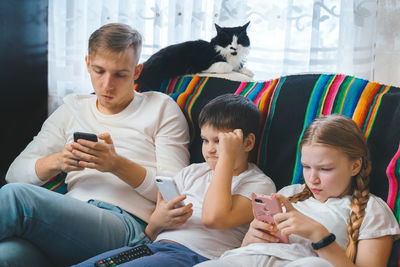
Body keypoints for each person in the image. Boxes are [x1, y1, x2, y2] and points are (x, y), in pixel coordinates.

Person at [1, 23, 190, 266]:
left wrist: (116, 165)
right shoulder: (72, 108)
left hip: (126, 227)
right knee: (6, 256)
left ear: (137, 71)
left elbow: (174, 194)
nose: (106, 85)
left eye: (120, 74)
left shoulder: (161, 108)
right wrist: (58, 161)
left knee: (18, 199)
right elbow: (14, 175)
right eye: (99, 71)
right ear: (87, 64)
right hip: (62, 225)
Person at [74, 94, 277, 267]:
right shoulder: (191, 173)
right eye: (206, 140)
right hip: (152, 247)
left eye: (220, 141)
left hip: (194, 257)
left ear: (247, 142)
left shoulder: (258, 184)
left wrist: (227, 158)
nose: (210, 149)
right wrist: (156, 223)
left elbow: (213, 218)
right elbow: (152, 231)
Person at [195, 114, 400, 267]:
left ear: (355, 166)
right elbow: (246, 252)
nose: (312, 179)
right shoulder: (289, 192)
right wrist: (251, 238)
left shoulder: (371, 209)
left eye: (325, 169)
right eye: (306, 167)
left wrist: (319, 234)